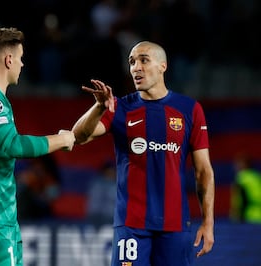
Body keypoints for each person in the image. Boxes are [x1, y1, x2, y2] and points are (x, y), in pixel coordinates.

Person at [71, 41, 215, 266]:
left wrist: (208, 222)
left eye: (144, 60)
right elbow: (78, 137)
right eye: (132, 62)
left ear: (162, 66)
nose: (136, 67)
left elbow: (203, 170)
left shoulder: (189, 109)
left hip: (175, 226)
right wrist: (98, 107)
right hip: (131, 225)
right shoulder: (119, 107)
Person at [0, 27, 75, 266]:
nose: (22, 64)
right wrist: (61, 140)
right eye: (20, 58)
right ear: (9, 60)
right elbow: (14, 146)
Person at [230, 155, 261, 224]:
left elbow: (239, 201)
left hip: (249, 216)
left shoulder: (241, 178)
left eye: (237, 164)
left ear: (243, 164)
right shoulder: (257, 176)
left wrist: (235, 216)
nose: (235, 167)